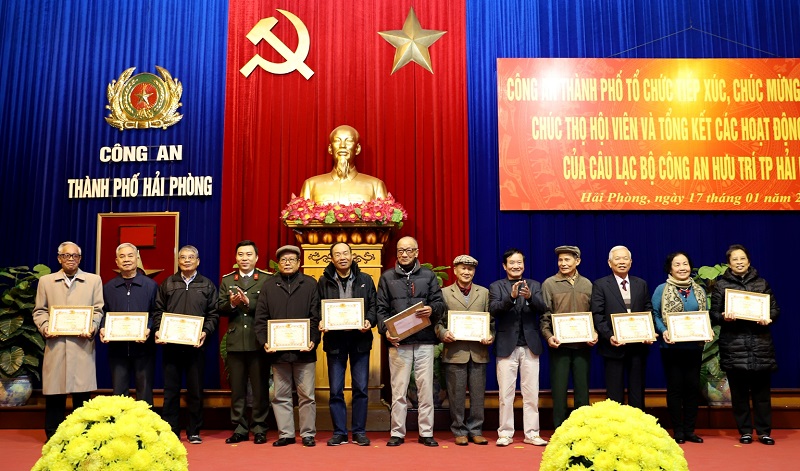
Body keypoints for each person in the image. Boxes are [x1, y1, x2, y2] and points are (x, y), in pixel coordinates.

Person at [377, 236, 445, 447]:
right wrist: (386, 332)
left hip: (425, 340)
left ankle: (426, 432)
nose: (404, 254)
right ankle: (397, 432)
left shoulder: (428, 275)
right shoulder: (387, 277)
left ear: (416, 252)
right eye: (400, 251)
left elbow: (440, 304)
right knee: (398, 389)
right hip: (399, 342)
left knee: (425, 388)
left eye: (409, 250)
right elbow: (380, 310)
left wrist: (432, 309)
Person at [33, 241, 104, 441]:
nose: (70, 259)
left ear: (80, 259)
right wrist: (45, 327)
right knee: (55, 395)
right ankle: (54, 437)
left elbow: (98, 310)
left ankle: (82, 438)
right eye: (66, 255)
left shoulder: (93, 280)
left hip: (82, 346)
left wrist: (92, 326)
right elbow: (39, 311)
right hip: (56, 345)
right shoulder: (46, 281)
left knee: (82, 397)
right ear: (59, 258)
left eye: (74, 256)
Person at [709, 244, 779, 446]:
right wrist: (724, 317)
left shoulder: (762, 283)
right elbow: (714, 314)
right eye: (735, 259)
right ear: (729, 263)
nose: (739, 262)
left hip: (760, 345)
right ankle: (745, 431)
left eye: (742, 259)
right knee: (739, 394)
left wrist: (768, 317)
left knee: (762, 394)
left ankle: (764, 432)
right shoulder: (721, 286)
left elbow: (775, 309)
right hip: (734, 346)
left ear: (749, 261)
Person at [254, 245, 321, 447]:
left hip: (304, 352)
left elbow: (316, 316)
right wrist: (265, 341)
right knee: (280, 395)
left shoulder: (310, 284)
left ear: (299, 263)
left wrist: (313, 339)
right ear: (278, 264)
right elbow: (261, 318)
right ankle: (286, 434)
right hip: (278, 352)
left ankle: (308, 434)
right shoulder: (268, 286)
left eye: (292, 259)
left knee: (307, 396)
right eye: (283, 260)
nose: (287, 263)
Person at [153, 245, 218, 445]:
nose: (187, 260)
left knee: (195, 391)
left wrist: (205, 332)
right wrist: (159, 330)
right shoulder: (168, 283)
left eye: (191, 257)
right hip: (171, 346)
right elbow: (158, 311)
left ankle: (194, 431)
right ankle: (170, 431)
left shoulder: (207, 285)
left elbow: (213, 314)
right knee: (170, 391)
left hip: (195, 347)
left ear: (198, 261)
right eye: (183, 257)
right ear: (178, 261)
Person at [317, 242, 377, 447]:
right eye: (337, 254)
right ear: (331, 259)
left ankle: (359, 432)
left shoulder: (365, 279)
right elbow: (317, 307)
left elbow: (373, 305)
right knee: (336, 390)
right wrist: (321, 321)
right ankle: (340, 432)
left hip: (360, 340)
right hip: (335, 341)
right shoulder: (323, 281)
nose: (342, 257)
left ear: (352, 256)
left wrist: (369, 321)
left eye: (345, 253)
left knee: (361, 388)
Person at [489, 248, 548, 447]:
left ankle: (532, 433)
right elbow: (494, 310)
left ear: (524, 264)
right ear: (505, 266)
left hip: (530, 346)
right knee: (506, 394)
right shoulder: (496, 286)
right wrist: (511, 298)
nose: (516, 266)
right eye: (512, 263)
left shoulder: (534, 285)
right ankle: (505, 433)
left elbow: (543, 308)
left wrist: (530, 297)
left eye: (519, 262)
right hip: (506, 346)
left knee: (531, 393)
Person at [435, 254, 493, 446]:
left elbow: (491, 321)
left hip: (478, 352)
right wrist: (443, 333)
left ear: (474, 271)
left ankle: (476, 430)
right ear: (455, 270)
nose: (467, 272)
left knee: (478, 395)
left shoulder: (484, 293)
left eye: (470, 269)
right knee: (456, 395)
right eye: (463, 268)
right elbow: (437, 322)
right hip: (455, 352)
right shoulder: (444, 293)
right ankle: (459, 430)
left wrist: (490, 334)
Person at [217, 240, 271, 445]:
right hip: (235, 341)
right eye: (241, 254)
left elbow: (270, 307)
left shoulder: (266, 279)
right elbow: (219, 307)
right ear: (236, 258)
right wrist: (232, 304)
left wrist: (250, 303)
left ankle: (259, 428)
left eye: (249, 254)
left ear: (256, 258)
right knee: (237, 389)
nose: (244, 258)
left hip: (258, 341)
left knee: (259, 389)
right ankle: (239, 428)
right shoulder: (227, 280)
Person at [652, 251, 707, 444]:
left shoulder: (699, 290)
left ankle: (690, 430)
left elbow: (705, 315)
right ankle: (678, 431)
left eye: (685, 264)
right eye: (677, 264)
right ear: (670, 269)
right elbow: (655, 314)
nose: (682, 268)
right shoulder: (661, 289)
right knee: (675, 388)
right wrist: (663, 330)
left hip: (694, 347)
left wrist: (707, 329)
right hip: (671, 348)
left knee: (692, 388)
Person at [539, 245, 597, 429]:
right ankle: (560, 430)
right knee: (559, 391)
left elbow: (593, 314)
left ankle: (582, 430)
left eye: (567, 259)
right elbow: (544, 315)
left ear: (577, 261)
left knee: (582, 391)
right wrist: (548, 336)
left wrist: (594, 333)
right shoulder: (549, 284)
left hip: (582, 346)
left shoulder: (587, 284)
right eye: (560, 260)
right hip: (559, 346)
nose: (563, 263)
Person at [591, 245, 653, 409]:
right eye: (617, 258)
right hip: (613, 347)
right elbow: (597, 314)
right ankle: (616, 424)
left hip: (638, 346)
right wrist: (609, 336)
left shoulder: (641, 284)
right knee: (614, 394)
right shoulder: (600, 285)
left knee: (637, 392)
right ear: (609, 263)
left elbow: (648, 309)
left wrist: (649, 332)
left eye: (625, 258)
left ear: (631, 262)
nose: (622, 262)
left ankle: (637, 423)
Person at [100, 242, 158, 405]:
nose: (126, 259)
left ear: (137, 258)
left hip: (144, 349)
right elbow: (104, 313)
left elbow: (156, 313)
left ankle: (145, 422)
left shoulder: (151, 286)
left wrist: (149, 328)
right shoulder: (109, 287)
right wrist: (103, 327)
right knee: (119, 394)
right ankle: (120, 422)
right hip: (117, 350)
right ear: (116, 261)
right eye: (122, 256)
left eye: (130, 255)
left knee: (144, 394)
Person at [299, 124, 388, 204]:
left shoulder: (375, 186)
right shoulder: (311, 185)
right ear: (330, 149)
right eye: (337, 141)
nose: (342, 145)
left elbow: (385, 216)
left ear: (357, 149)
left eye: (349, 141)